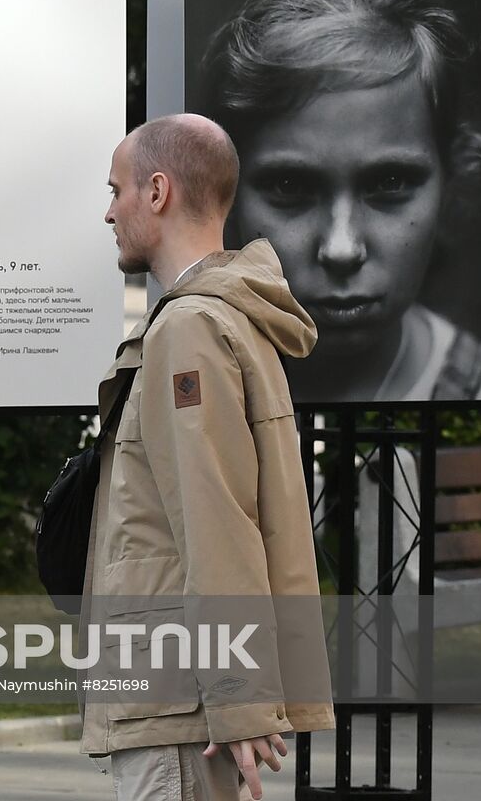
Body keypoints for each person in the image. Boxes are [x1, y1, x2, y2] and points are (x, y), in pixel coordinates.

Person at [86, 114, 335, 800]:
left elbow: (217, 519)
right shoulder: (228, 316)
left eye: (117, 190)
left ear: (157, 191)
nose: (110, 211)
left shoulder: (192, 328)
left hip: (178, 699)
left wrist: (238, 697)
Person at [197, 0, 481, 402]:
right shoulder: (189, 387)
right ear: (228, 194)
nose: (341, 249)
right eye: (289, 187)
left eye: (390, 182)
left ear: (450, 180)